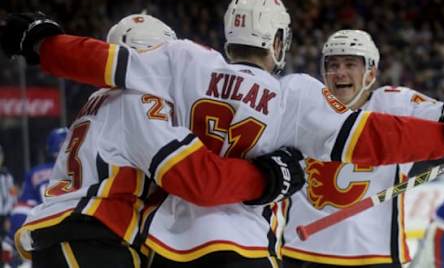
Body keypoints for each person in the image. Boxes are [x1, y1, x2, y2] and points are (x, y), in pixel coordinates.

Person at [0, 0, 444, 267]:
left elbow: (102, 61)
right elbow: (368, 139)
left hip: (165, 246)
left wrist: (40, 41)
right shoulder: (296, 93)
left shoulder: (181, 59)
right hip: (245, 246)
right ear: (277, 40)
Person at [0, 13, 306, 268]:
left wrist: (45, 45)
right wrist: (267, 177)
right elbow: (197, 179)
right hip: (96, 239)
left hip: (64, 235)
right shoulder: (140, 101)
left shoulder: (97, 99)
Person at [280, 29, 444, 268]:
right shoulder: (305, 103)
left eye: (350, 64)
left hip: (375, 257)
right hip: (302, 254)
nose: (339, 72)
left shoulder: (395, 104)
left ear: (371, 72)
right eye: (332, 65)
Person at [1, 127, 67, 267]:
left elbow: (21, 211)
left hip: (42, 239)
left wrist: (9, 239)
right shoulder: (84, 170)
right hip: (77, 237)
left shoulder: (36, 173)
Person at [0, 145, 17, 268]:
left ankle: (7, 263)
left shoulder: (7, 175)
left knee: (7, 243)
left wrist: (9, 214)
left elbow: (12, 195)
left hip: (5, 215)